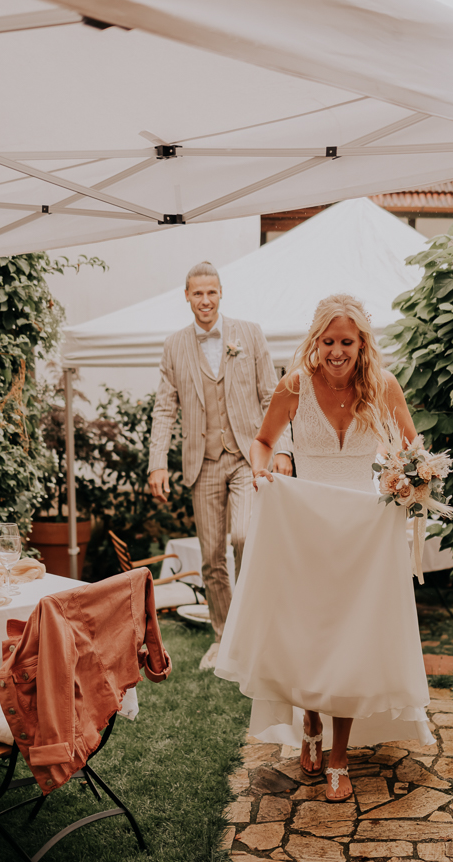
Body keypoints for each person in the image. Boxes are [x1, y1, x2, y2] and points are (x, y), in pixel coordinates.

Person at [215, 293, 434, 801]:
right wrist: (262, 468)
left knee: (350, 641)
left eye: (348, 342)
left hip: (363, 532)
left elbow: (412, 449)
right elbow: (262, 441)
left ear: (362, 344)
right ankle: (309, 722)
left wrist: (407, 481)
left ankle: (339, 756)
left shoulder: (383, 388)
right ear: (316, 341)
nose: (338, 351)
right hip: (306, 527)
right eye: (329, 341)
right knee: (309, 636)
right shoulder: (293, 386)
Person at [148, 261, 293, 671]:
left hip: (249, 457)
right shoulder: (174, 345)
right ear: (187, 297)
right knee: (211, 558)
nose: (205, 300)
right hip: (203, 464)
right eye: (198, 293)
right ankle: (224, 638)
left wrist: (283, 449)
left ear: (221, 293)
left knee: (246, 538)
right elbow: (164, 408)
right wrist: (157, 463)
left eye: (211, 292)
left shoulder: (249, 333)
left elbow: (272, 397)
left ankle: (255, 631)